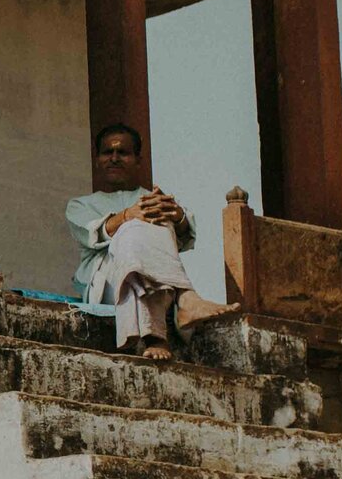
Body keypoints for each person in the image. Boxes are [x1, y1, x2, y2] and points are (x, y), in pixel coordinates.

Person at [64, 121, 237, 360]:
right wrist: (128, 216)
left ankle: (163, 328)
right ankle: (182, 302)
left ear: (137, 160)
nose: (114, 158)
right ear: (97, 159)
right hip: (108, 280)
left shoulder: (152, 198)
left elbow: (185, 237)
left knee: (160, 217)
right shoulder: (80, 205)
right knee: (132, 229)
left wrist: (177, 215)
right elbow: (94, 232)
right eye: (108, 152)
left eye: (123, 153)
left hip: (155, 275)